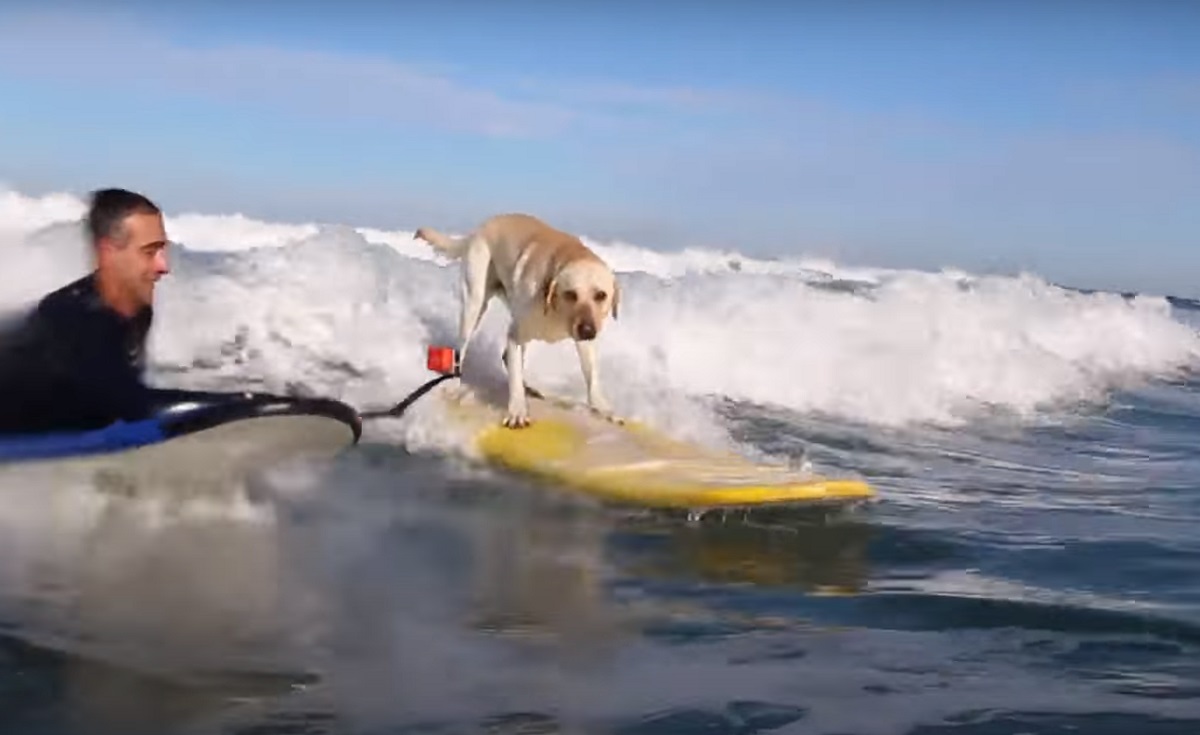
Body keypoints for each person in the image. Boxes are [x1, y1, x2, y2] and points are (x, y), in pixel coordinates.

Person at [0, 188, 171, 434]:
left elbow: (127, 390)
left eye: (163, 250)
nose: (163, 266)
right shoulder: (75, 318)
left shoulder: (137, 308)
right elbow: (131, 406)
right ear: (108, 253)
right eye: (149, 252)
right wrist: (241, 407)